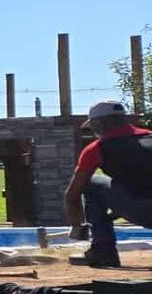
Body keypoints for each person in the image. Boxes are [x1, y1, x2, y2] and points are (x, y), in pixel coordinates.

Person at [64, 99, 152, 269]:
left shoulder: (97, 148)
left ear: (100, 124)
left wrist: (77, 227)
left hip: (141, 210)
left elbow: (72, 195)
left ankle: (103, 253)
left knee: (92, 184)